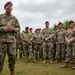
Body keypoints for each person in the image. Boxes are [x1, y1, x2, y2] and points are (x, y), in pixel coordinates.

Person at [0, 2, 20, 75]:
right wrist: (2, 28)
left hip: (11, 42)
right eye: (7, 6)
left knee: (12, 57)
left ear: (12, 8)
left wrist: (13, 29)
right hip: (1, 42)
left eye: (10, 6)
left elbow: (18, 28)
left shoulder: (14, 19)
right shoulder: (0, 17)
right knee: (0, 58)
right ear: (4, 8)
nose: (9, 7)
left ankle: (12, 72)